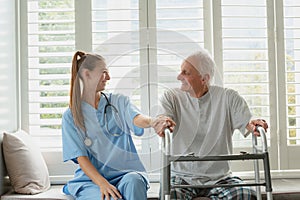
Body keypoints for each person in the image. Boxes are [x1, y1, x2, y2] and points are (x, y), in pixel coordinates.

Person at [155, 48, 268, 200]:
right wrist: (163, 122)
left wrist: (253, 124)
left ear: (204, 79)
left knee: (246, 195)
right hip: (181, 176)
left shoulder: (228, 97)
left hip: (219, 178)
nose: (178, 76)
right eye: (180, 71)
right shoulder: (171, 97)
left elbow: (248, 122)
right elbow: (164, 118)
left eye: (186, 73)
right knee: (170, 194)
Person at [62, 51, 175, 200]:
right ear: (87, 74)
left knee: (135, 181)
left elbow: (137, 118)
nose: (108, 78)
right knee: (107, 197)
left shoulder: (118, 102)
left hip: (125, 174)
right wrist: (102, 183)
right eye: (104, 72)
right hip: (92, 181)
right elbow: (81, 157)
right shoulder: (71, 116)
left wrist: (153, 122)